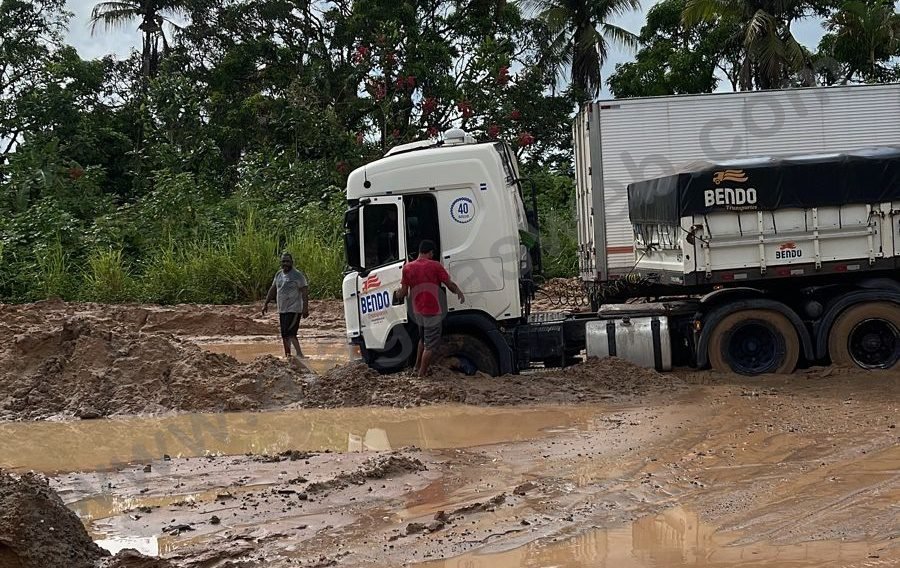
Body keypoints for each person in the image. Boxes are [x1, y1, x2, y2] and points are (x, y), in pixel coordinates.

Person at [393, 240, 465, 377]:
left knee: (423, 339)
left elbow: (403, 292)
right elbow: (449, 284)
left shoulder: (407, 268)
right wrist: (459, 292)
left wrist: (396, 294)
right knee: (430, 346)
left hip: (417, 311)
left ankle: (416, 367)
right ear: (430, 252)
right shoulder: (435, 266)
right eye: (432, 253)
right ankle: (421, 375)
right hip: (432, 311)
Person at [262, 253, 310, 360]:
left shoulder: (298, 276)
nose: (285, 263)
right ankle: (288, 355)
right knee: (284, 334)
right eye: (283, 261)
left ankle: (299, 354)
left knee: (291, 333)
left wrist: (305, 308)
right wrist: (265, 303)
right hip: (282, 309)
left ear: (292, 262)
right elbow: (273, 289)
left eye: (287, 261)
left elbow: (304, 292)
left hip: (294, 309)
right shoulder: (278, 274)